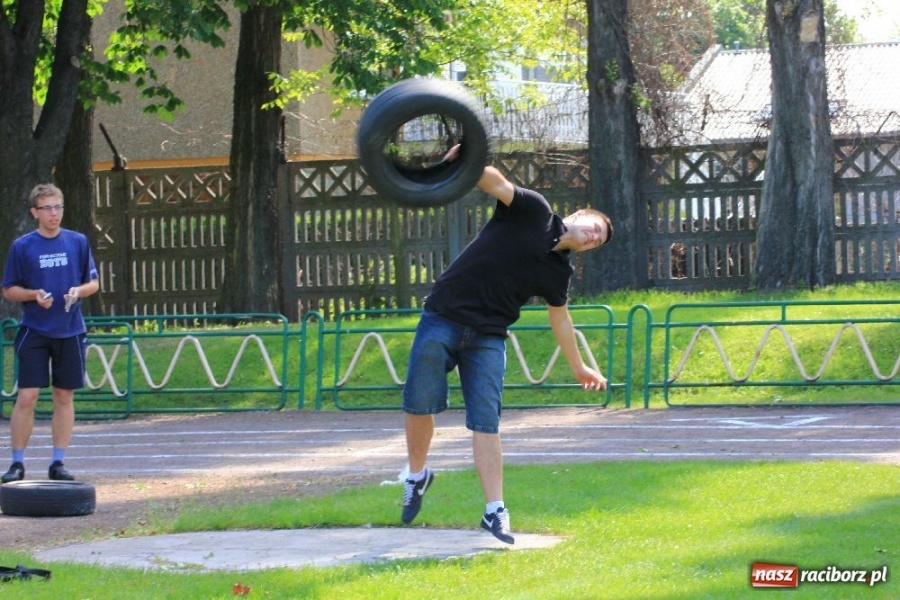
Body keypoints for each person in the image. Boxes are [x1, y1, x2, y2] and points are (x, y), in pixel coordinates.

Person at [401, 161, 613, 544]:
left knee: (487, 422)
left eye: (598, 241)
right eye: (595, 228)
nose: (593, 237)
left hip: (489, 337)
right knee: (420, 404)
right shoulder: (534, 210)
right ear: (579, 215)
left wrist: (579, 366)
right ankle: (416, 475)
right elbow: (493, 180)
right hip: (443, 316)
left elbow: (561, 320)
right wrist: (463, 156)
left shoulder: (559, 273)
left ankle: (494, 512)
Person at [1, 183, 99, 483]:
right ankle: (17, 463)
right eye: (47, 208)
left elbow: (93, 283)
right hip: (35, 330)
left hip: (70, 331)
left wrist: (76, 292)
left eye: (58, 207)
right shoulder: (23, 246)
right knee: (28, 395)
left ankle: (58, 461)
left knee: (64, 395)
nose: (54, 213)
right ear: (35, 212)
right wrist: (34, 296)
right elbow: (9, 290)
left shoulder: (78, 242)